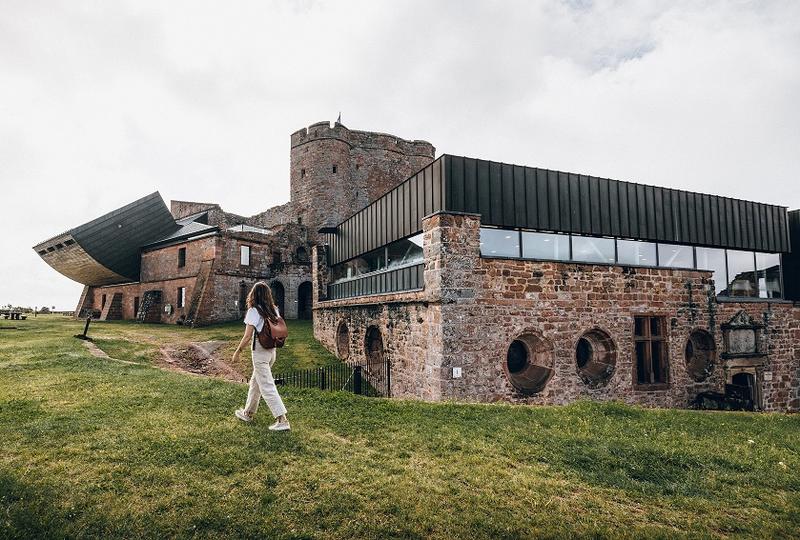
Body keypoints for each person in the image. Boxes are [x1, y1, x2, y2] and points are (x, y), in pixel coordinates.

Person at [233, 282, 290, 431]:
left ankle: (282, 419)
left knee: (266, 385)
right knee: (255, 382)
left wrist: (237, 352)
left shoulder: (254, 311)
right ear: (267, 295)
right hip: (271, 351)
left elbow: (247, 337)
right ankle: (248, 413)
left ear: (254, 294)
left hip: (260, 352)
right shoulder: (274, 309)